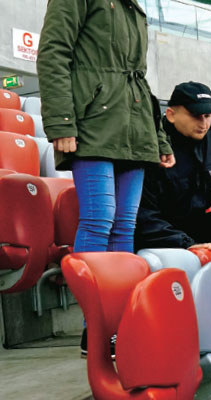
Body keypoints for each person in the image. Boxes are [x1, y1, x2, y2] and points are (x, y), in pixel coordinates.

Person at [37, 0, 176, 356]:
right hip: (92, 124)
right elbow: (53, 53)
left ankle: (118, 325)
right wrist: (61, 122)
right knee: (99, 221)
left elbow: (140, 80)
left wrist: (158, 137)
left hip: (134, 128)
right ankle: (94, 328)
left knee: (125, 227)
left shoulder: (134, 7)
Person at [134, 82, 211, 251]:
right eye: (196, 115)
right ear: (171, 115)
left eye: (208, 115)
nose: (204, 123)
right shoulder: (152, 144)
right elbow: (143, 215)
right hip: (160, 232)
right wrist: (187, 244)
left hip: (195, 223)